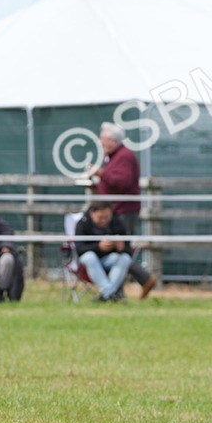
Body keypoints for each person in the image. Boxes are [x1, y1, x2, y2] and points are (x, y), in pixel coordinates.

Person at [87, 123, 157, 298]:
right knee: (115, 249)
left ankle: (142, 279)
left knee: (120, 248)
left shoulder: (124, 157)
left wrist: (100, 173)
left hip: (124, 211)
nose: (101, 142)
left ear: (113, 140)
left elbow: (122, 182)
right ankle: (120, 290)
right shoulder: (113, 156)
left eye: (103, 139)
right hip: (116, 210)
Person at [74, 201, 132, 302]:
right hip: (88, 263)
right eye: (100, 217)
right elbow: (79, 249)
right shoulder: (82, 223)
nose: (104, 220)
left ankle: (106, 295)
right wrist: (99, 247)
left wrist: (121, 247)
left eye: (107, 217)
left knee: (125, 258)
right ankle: (110, 294)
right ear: (92, 213)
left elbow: (128, 249)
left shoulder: (117, 222)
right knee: (89, 257)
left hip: (109, 260)